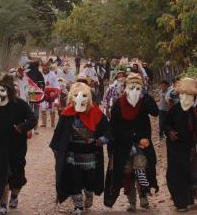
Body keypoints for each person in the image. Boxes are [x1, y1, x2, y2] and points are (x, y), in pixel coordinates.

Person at [0, 76, 37, 215]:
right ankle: (2, 205)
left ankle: (14, 196)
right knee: (0, 175)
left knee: (17, 175)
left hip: (17, 146)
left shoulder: (20, 104)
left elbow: (33, 119)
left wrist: (21, 127)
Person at [50, 82, 109, 215]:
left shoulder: (96, 113)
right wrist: (56, 148)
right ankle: (78, 206)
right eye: (76, 95)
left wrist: (101, 140)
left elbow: (108, 131)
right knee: (74, 179)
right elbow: (59, 132)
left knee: (89, 181)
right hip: (72, 153)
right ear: (72, 97)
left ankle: (89, 193)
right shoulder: (67, 113)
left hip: (90, 153)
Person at [104, 73, 159, 212]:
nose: (135, 89)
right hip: (123, 145)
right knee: (127, 172)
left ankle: (144, 198)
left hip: (142, 143)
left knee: (142, 169)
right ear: (126, 87)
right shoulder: (119, 103)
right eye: (132, 86)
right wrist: (111, 145)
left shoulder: (144, 102)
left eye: (138, 87)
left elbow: (155, 112)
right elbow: (113, 125)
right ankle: (132, 202)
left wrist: (146, 95)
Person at [164, 77, 197, 212]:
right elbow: (166, 123)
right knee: (178, 172)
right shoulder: (175, 108)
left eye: (188, 94)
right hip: (179, 146)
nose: (185, 97)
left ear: (194, 94)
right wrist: (170, 132)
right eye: (183, 94)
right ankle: (182, 201)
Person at [26, 59, 45, 133]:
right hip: (33, 94)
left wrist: (41, 91)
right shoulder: (28, 73)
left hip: (36, 94)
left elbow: (42, 84)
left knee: (33, 111)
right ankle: (32, 128)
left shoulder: (32, 73)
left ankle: (33, 127)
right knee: (33, 111)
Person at [41, 62, 60, 128]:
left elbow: (57, 85)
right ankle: (44, 123)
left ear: (48, 67)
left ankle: (52, 123)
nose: (45, 69)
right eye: (43, 67)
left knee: (52, 110)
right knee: (43, 108)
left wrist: (54, 92)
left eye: (46, 67)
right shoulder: (40, 74)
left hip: (51, 95)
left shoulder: (53, 75)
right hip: (43, 94)